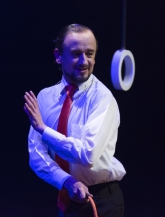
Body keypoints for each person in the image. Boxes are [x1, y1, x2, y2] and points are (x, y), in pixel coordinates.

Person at [24, 24, 126, 217]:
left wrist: (44, 130)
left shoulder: (102, 98)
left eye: (89, 53)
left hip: (102, 200)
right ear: (58, 56)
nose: (84, 61)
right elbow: (36, 154)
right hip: (65, 193)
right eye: (76, 53)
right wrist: (66, 181)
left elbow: (88, 154)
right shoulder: (45, 97)